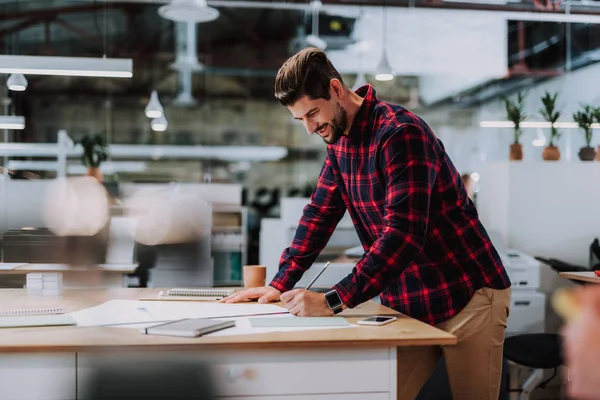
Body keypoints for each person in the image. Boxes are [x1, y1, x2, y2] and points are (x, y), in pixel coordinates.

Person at [221, 47, 511, 399]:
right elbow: (320, 214)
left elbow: (403, 236)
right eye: (301, 120)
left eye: (313, 113)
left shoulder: (400, 134)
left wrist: (332, 300)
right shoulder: (339, 141)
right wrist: (280, 284)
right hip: (408, 299)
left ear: (336, 90)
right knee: (377, 392)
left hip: (467, 292)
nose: (310, 128)